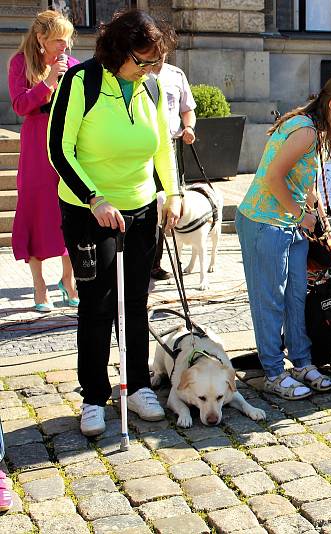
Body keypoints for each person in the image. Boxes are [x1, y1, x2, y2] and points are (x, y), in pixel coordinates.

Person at [48, 9, 181, 436]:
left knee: (136, 300)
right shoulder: (80, 82)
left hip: (140, 208)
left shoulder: (153, 88)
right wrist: (94, 198)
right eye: (140, 61)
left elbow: (162, 148)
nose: (147, 70)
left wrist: (172, 194)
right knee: (98, 302)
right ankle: (92, 395)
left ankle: (138, 384)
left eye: (152, 62)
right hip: (89, 210)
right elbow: (59, 148)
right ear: (119, 51)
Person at [237, 73, 331, 400]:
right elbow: (271, 176)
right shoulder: (307, 131)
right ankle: (273, 371)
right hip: (264, 223)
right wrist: (300, 213)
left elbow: (295, 175)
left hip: (287, 223)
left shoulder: (313, 127)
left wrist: (310, 201)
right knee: (270, 301)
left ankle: (301, 361)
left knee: (296, 295)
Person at [8, 10, 80, 312]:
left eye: (68, 40)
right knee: (36, 211)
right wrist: (48, 82)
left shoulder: (74, 66)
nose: (66, 47)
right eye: (59, 41)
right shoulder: (20, 63)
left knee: (70, 211)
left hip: (67, 144)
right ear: (40, 39)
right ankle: (39, 286)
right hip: (37, 144)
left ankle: (69, 280)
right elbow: (20, 105)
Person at [150, 25, 197, 281]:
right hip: (145, 151)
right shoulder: (138, 76)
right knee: (148, 206)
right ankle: (144, 259)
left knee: (169, 205)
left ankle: (156, 262)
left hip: (170, 148)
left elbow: (187, 109)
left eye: (164, 52)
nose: (160, 58)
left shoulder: (176, 75)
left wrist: (189, 127)